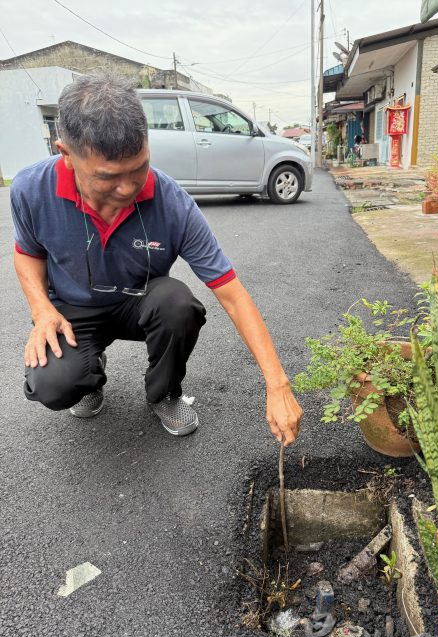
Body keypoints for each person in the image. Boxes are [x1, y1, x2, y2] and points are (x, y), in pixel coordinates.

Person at [11, 75, 302, 444]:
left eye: (139, 167)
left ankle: (164, 393)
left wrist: (277, 384)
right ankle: (88, 373)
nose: (129, 187)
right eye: (109, 177)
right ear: (66, 154)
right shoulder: (29, 190)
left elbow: (232, 293)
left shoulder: (171, 202)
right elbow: (27, 255)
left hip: (140, 303)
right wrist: (42, 310)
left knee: (179, 304)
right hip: (73, 310)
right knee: (53, 385)